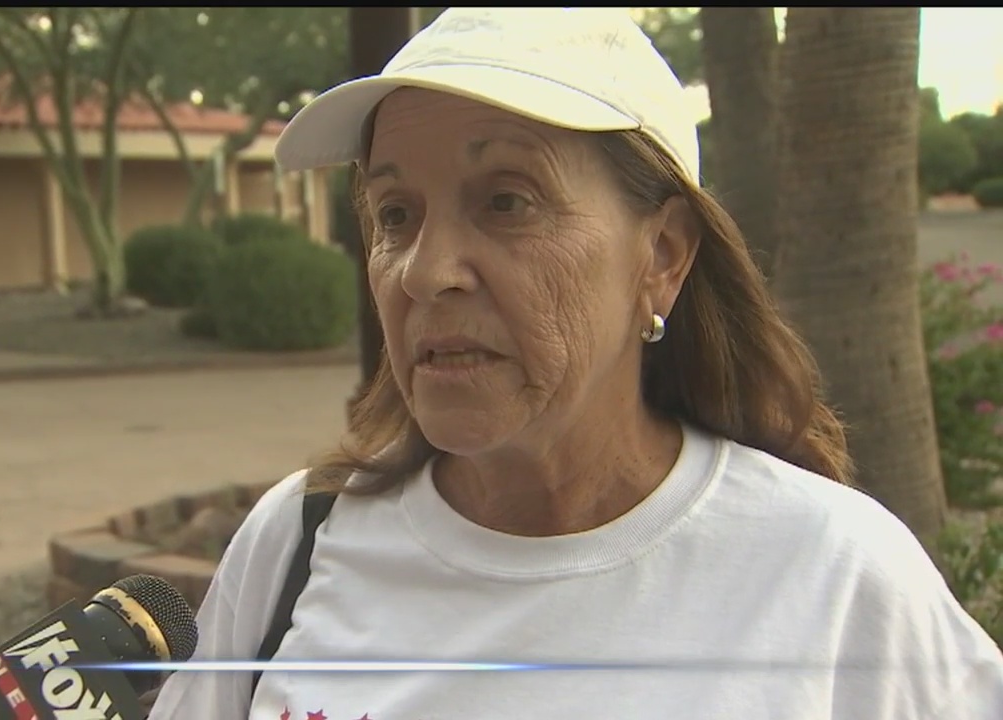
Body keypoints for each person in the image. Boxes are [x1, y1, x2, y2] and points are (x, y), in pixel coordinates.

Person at [147, 7, 1003, 719]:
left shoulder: (834, 577)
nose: (426, 270)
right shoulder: (298, 542)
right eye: (395, 213)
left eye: (507, 201)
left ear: (662, 254)